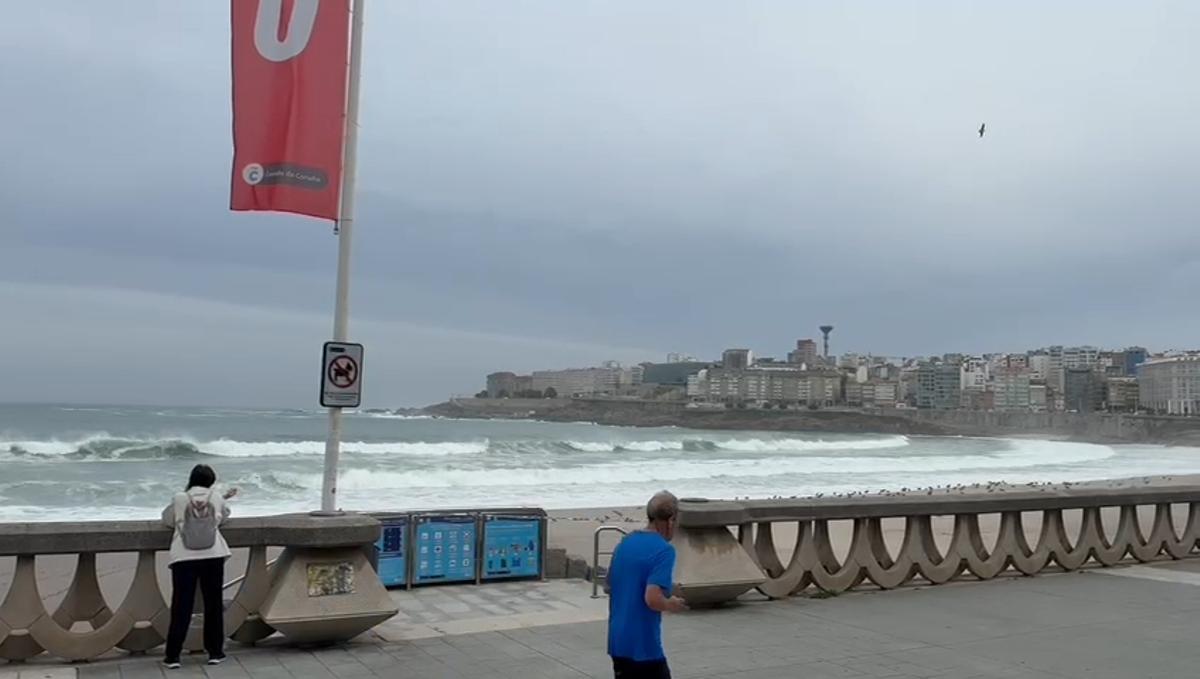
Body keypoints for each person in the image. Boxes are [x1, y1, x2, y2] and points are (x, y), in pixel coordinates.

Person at [161, 464, 237, 669]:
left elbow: (167, 520)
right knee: (213, 604)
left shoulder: (180, 498)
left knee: (181, 605)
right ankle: (215, 652)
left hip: (183, 557)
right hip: (213, 554)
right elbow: (224, 516)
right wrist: (222, 499)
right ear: (211, 481)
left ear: (191, 479)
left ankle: (173, 656)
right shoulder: (216, 497)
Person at [607, 490, 688, 679]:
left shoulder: (625, 542)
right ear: (670, 521)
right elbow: (652, 599)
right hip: (643, 645)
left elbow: (608, 585)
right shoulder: (664, 550)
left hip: (618, 640)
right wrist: (671, 604)